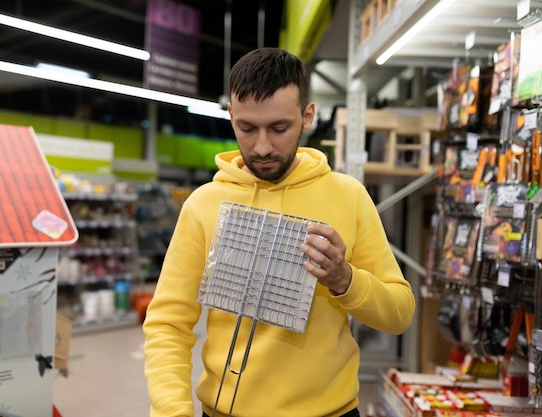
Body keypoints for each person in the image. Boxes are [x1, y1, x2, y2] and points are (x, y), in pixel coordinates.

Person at [143, 47, 415, 417]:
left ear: (307, 117)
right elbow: (168, 325)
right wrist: (172, 411)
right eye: (247, 128)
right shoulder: (203, 205)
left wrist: (345, 280)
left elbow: (399, 315)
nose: (263, 147)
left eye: (279, 128)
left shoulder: (349, 196)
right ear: (231, 115)